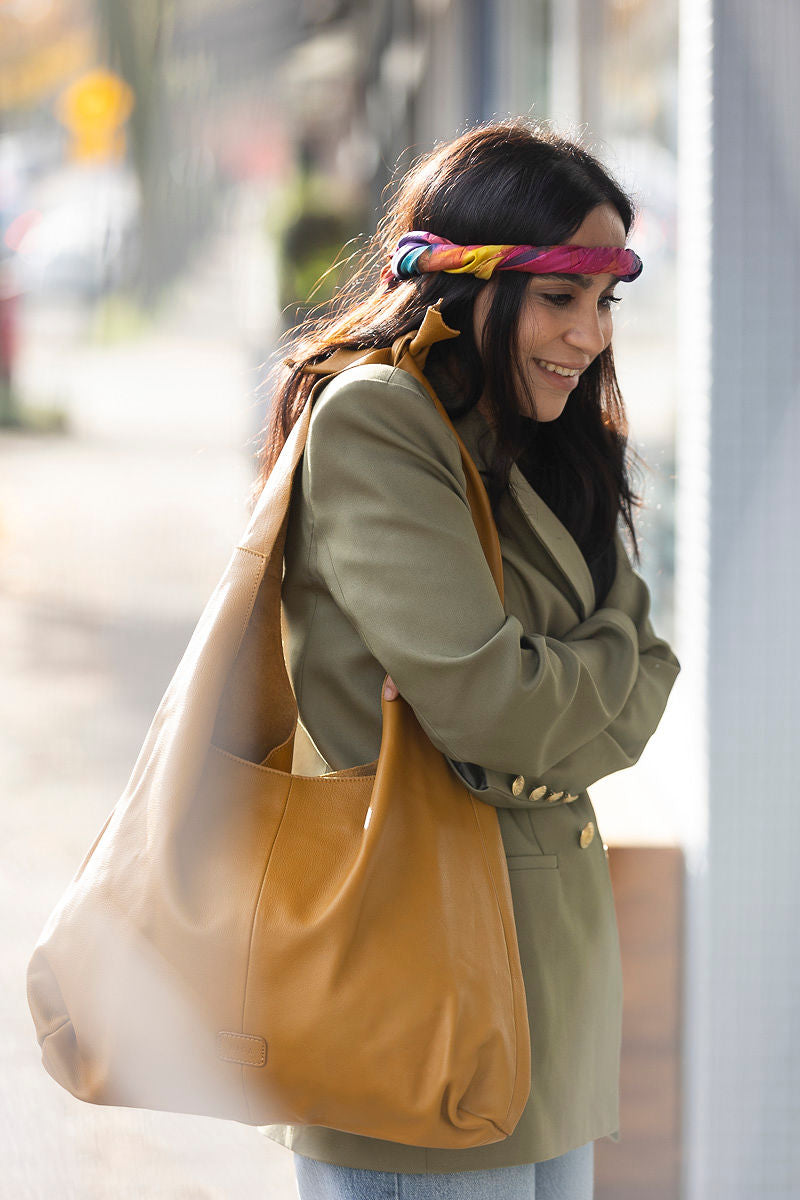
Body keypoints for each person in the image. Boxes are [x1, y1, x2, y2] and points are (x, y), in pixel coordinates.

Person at [254, 118, 681, 1199]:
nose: (588, 335)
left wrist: (536, 692)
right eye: (559, 296)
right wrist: (559, 686)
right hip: (420, 995)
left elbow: (649, 671)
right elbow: (495, 705)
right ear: (469, 283)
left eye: (604, 302)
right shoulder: (381, 421)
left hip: (547, 997)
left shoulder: (552, 443)